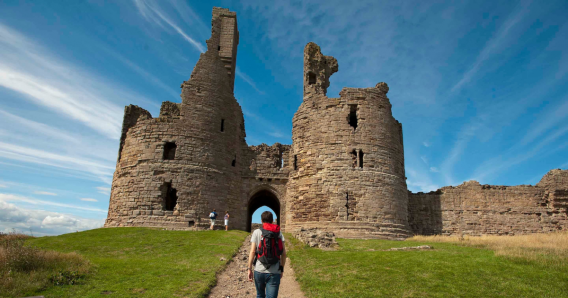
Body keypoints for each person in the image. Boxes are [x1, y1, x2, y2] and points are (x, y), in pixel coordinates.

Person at [247, 211, 286, 298]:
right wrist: (282, 268)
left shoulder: (256, 232)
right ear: (272, 221)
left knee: (260, 295)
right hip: (274, 271)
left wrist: (249, 268)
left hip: (259, 270)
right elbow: (283, 253)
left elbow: (253, 251)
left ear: (261, 220)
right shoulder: (278, 233)